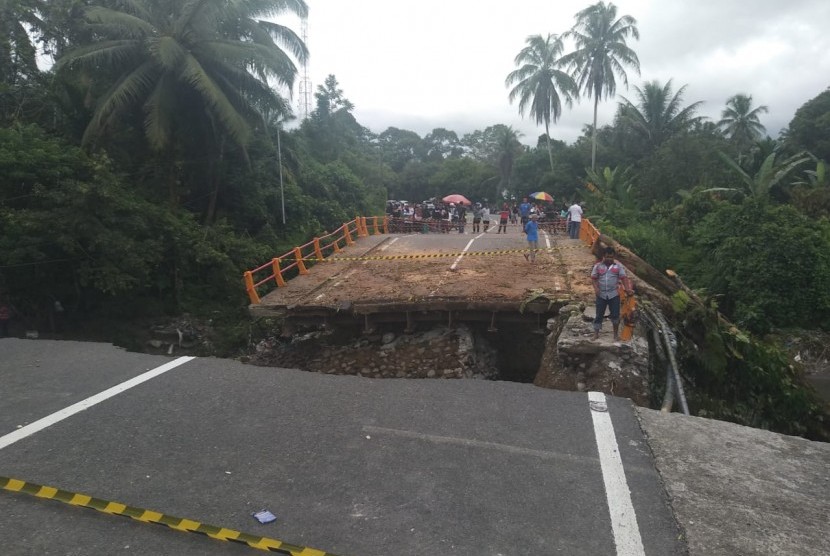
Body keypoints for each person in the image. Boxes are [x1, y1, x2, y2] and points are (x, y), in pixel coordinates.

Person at [591, 247, 634, 341]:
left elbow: (624, 278)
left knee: (615, 315)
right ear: (603, 256)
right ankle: (596, 334)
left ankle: (615, 335)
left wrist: (627, 289)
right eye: (607, 257)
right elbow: (593, 278)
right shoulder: (598, 266)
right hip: (601, 294)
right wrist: (596, 288)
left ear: (614, 257)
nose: (609, 259)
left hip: (614, 294)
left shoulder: (618, 266)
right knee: (599, 315)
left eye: (611, 257)